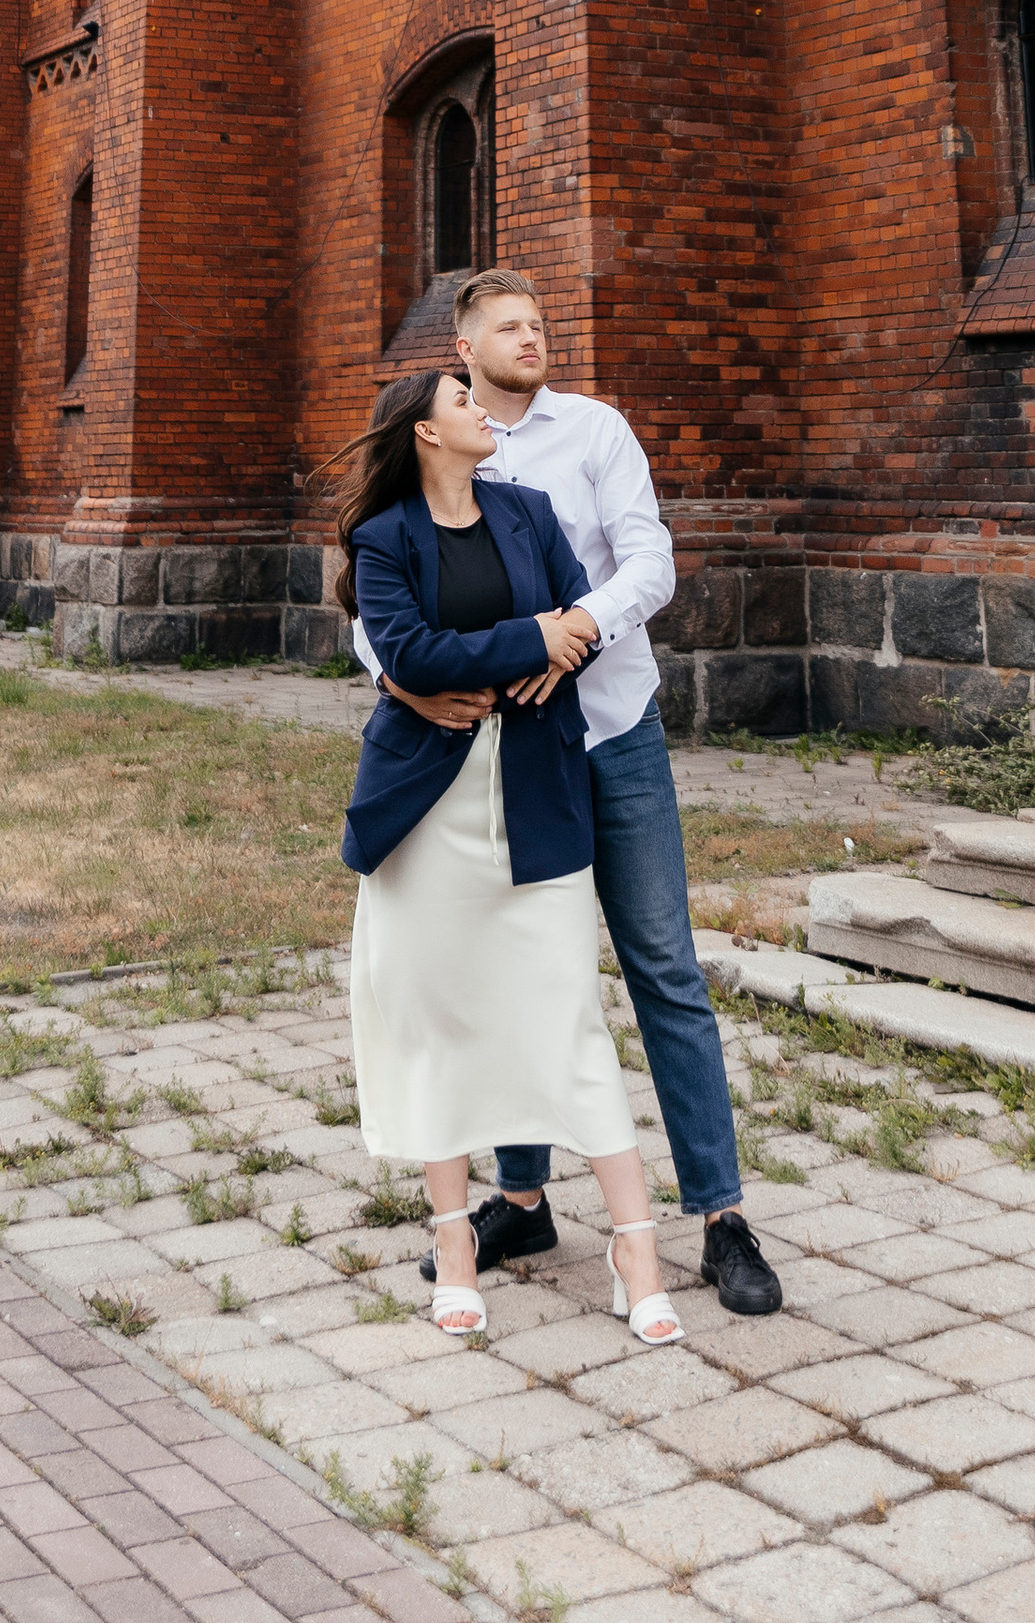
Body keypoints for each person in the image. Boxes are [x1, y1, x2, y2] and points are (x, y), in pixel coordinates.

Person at [357, 270, 784, 1317]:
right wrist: (410, 680)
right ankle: (522, 1194)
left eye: (540, 323)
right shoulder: (436, 465)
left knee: (661, 966)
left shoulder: (592, 433)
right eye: (509, 326)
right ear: (462, 350)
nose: (533, 337)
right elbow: (380, 616)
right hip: (498, 752)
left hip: (611, 730)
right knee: (511, 966)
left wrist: (577, 628)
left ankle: (720, 1217)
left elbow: (649, 560)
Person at [337, 364, 685, 1347]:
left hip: (534, 798)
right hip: (427, 820)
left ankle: (635, 1249)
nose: (482, 410)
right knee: (439, 1025)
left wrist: (547, 641)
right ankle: (454, 1248)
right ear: (424, 435)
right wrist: (525, 639)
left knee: (569, 1018)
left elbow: (580, 615)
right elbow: (406, 655)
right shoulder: (382, 538)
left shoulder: (530, 510)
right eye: (460, 401)